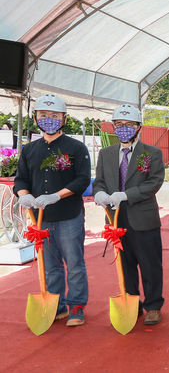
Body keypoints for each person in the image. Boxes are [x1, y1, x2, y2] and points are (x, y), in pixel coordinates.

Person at [14, 94, 91, 326]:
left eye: (54, 115)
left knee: (74, 263)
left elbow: (82, 179)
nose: (49, 119)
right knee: (50, 266)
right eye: (44, 115)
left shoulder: (76, 147)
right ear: (36, 118)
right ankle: (55, 304)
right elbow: (21, 180)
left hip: (69, 215)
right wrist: (24, 196)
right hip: (40, 219)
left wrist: (57, 195)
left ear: (64, 119)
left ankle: (76, 305)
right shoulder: (29, 150)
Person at [92, 105, 166, 324]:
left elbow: (154, 182)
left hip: (143, 218)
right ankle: (132, 301)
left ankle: (153, 306)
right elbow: (99, 182)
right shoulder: (106, 154)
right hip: (115, 219)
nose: (124, 129)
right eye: (119, 125)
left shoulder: (152, 153)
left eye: (129, 125)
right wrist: (99, 194)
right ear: (114, 127)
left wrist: (125, 195)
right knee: (125, 265)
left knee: (150, 264)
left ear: (139, 126)